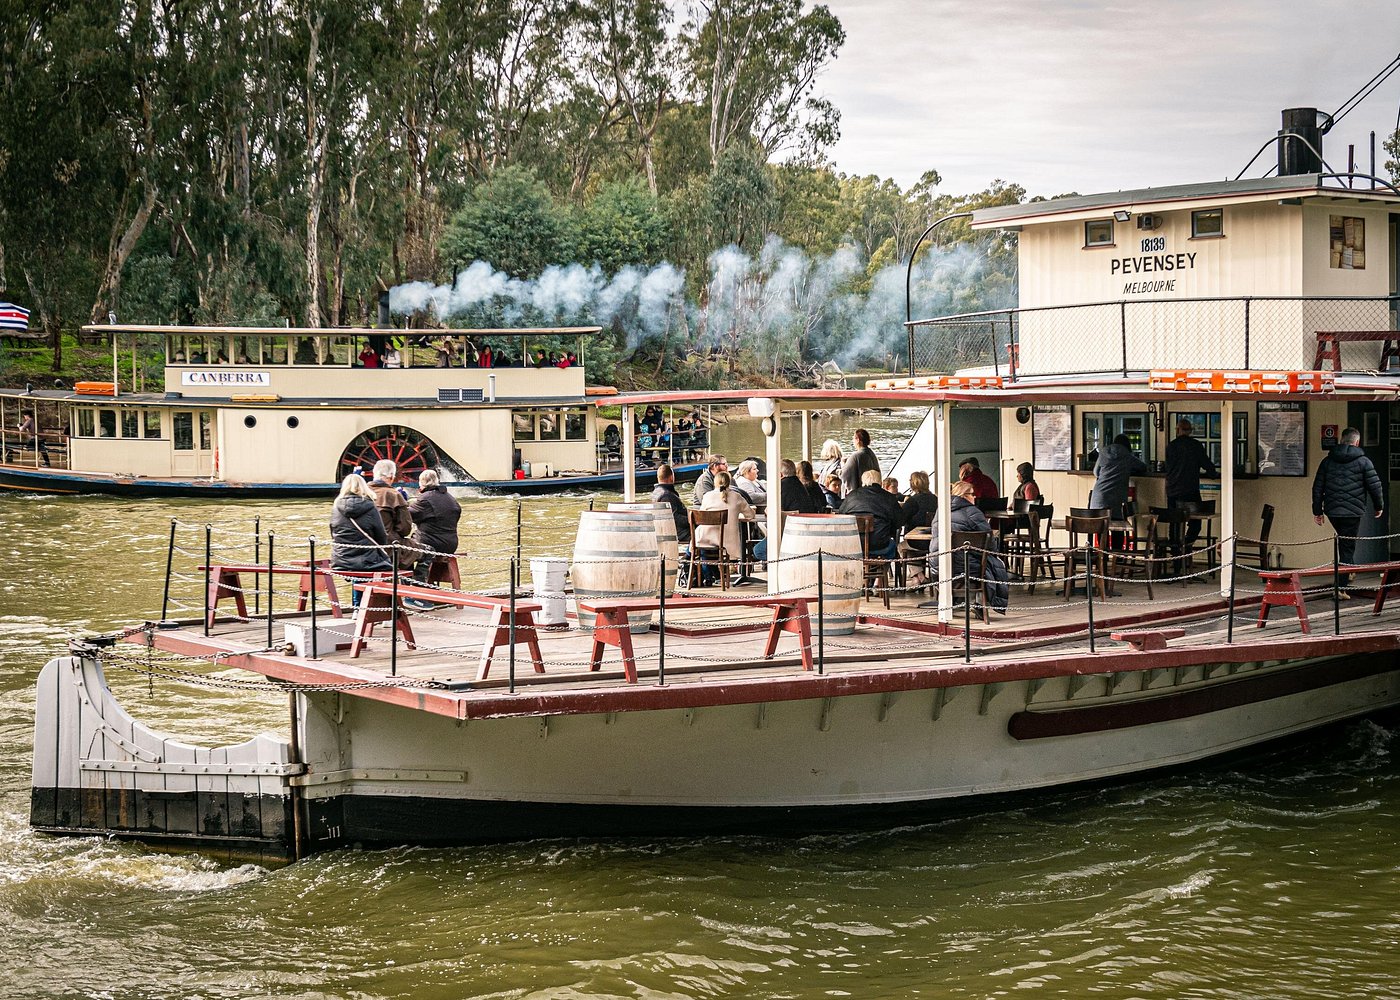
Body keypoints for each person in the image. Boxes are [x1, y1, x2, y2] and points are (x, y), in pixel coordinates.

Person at [1312, 426, 1384, 585]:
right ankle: (1342, 586)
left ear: (1341, 440)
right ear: (1356, 442)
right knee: (1347, 547)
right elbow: (1375, 486)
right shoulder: (1364, 462)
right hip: (1353, 512)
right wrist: (1379, 506)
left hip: (1332, 511)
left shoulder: (1327, 461)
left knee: (1345, 544)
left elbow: (1317, 488)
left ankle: (1349, 572)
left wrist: (1318, 511)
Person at [928, 480, 1009, 614]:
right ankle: (978, 602)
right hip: (967, 566)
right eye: (972, 494)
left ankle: (955, 601)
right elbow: (989, 543)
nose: (975, 497)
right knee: (990, 564)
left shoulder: (941, 511)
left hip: (939, 565)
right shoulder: (973, 512)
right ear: (964, 496)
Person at [329, 474, 394, 586]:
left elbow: (334, 533)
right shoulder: (370, 506)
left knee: (358, 576)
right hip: (367, 560)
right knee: (390, 566)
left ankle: (358, 602)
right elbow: (381, 536)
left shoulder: (336, 507)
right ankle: (366, 601)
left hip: (341, 560)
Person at [1165, 419, 1217, 552]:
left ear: (1177, 430)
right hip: (1190, 490)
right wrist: (1213, 474)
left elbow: (1168, 467)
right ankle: (1187, 546)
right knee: (1196, 523)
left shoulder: (1171, 446)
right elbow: (1207, 465)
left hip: (1173, 491)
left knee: (1175, 524)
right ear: (1190, 431)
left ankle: (1177, 555)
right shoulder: (1195, 445)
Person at [407, 469, 461, 592]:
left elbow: (408, 516)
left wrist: (403, 503)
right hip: (451, 544)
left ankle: (410, 588)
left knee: (404, 552)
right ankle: (421, 585)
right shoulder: (450, 498)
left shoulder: (425, 499)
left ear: (422, 484)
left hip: (431, 544)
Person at [697, 471, 755, 585]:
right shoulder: (736, 496)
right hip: (728, 544)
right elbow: (750, 515)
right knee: (703, 545)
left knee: (697, 547)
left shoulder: (707, 496)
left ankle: (706, 577)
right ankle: (714, 576)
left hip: (705, 540)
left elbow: (701, 516)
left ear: (715, 482)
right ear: (730, 482)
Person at [839, 469, 902, 560]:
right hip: (880, 546)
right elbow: (899, 521)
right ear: (880, 482)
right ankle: (882, 571)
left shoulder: (851, 496)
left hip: (853, 544)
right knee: (893, 545)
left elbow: (841, 517)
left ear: (863, 481)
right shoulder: (888, 497)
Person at [366, 459, 415, 570]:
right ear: (391, 476)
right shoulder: (394, 495)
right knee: (425, 551)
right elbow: (405, 529)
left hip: (362, 549)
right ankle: (415, 585)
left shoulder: (359, 494)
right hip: (388, 547)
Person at [897, 471, 938, 585]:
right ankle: (918, 578)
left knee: (901, 547)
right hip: (933, 541)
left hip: (915, 542)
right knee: (913, 549)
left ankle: (918, 576)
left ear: (913, 484)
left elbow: (900, 519)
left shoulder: (913, 501)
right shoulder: (935, 499)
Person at [1089, 434, 1146, 512]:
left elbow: (1096, 472)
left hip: (1099, 496)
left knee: (1099, 523)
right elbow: (1143, 467)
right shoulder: (1128, 456)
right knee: (1116, 523)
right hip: (1116, 498)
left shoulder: (1103, 453)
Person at [650, 463, 691, 546]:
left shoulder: (655, 493)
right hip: (679, 533)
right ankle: (693, 555)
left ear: (658, 478)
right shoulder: (667, 495)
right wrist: (692, 519)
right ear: (671, 477)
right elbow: (675, 518)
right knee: (703, 534)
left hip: (663, 529)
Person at [840, 428, 881, 496]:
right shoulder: (872, 454)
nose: (853, 442)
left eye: (853, 439)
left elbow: (845, 474)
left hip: (858, 494)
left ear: (858, 440)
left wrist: (842, 465)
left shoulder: (855, 456)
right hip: (872, 493)